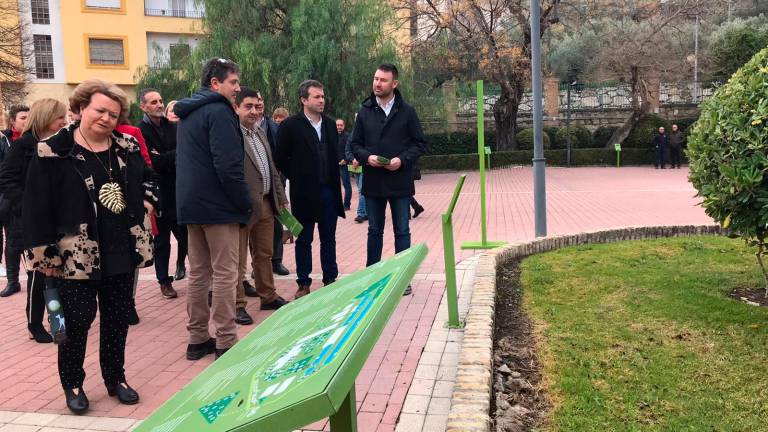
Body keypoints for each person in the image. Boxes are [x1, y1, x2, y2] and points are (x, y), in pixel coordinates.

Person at [22, 79, 159, 413]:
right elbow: (36, 208)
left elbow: (150, 177)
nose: (106, 118)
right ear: (81, 108)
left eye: (113, 114)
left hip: (121, 248)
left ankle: (116, 378)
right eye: (100, 110)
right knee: (78, 321)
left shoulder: (126, 145)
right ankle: (73, 383)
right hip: (75, 255)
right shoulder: (53, 150)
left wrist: (148, 201)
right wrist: (46, 257)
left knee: (116, 320)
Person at [175, 58, 252, 360]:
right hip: (219, 207)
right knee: (225, 274)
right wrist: (243, 203)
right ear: (215, 83)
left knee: (199, 274)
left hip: (192, 206)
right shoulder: (220, 112)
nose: (237, 87)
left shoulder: (188, 113)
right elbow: (229, 166)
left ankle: (196, 339)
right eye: (233, 82)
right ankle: (226, 340)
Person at [350, 64, 427, 296]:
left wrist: (402, 160)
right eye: (375, 79)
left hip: (400, 182)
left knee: (402, 230)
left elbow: (420, 144)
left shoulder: (407, 111)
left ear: (394, 84)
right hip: (373, 182)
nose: (377, 83)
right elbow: (355, 145)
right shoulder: (364, 111)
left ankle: (402, 277)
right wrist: (367, 157)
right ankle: (372, 276)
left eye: (383, 80)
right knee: (374, 230)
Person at [0, 98, 68, 342]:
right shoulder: (23, 146)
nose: (65, 121)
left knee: (59, 274)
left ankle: (58, 321)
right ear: (46, 117)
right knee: (40, 276)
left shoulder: (63, 144)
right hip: (32, 224)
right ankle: (35, 323)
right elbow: (7, 180)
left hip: (60, 220)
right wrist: (27, 207)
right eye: (60, 116)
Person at [275, 80, 344, 299]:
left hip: (329, 192)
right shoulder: (290, 126)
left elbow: (334, 155)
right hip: (303, 193)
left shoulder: (331, 125)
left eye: (323, 96)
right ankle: (303, 282)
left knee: (329, 238)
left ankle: (330, 278)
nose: (321, 100)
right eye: (316, 97)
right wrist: (297, 175)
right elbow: (279, 158)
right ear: (303, 100)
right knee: (304, 239)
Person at [234, 87, 289, 325]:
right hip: (242, 206)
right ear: (235, 107)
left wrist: (282, 199)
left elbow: (272, 170)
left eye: (257, 106)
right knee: (237, 260)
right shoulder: (231, 135)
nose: (254, 111)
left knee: (264, 254)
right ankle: (237, 305)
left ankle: (268, 295)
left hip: (266, 203)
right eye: (248, 106)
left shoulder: (259, 132)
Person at [137, 88, 187, 299]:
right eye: (153, 102)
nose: (159, 105)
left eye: (160, 100)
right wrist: (172, 156)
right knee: (161, 242)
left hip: (178, 191)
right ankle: (164, 281)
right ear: (143, 106)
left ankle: (197, 277)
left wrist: (165, 157)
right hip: (158, 195)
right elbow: (153, 163)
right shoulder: (141, 131)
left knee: (186, 239)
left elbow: (183, 154)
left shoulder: (173, 127)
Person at [243, 92, 290, 277]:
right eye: (250, 105)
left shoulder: (265, 129)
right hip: (247, 198)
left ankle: (269, 287)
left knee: (268, 243)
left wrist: (281, 196)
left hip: (269, 194)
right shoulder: (235, 131)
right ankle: (242, 289)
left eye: (259, 102)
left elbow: (272, 164)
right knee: (243, 247)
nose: (256, 107)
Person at [0, 105, 29, 294]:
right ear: (13, 122)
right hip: (10, 199)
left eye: (29, 117)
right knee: (13, 240)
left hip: (32, 198)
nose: (27, 121)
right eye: (23, 118)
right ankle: (13, 280)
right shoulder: (5, 141)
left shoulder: (37, 139)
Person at [336, 119, 353, 210]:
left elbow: (350, 149)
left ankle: (346, 205)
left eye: (340, 125)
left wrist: (346, 160)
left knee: (347, 185)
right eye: (337, 125)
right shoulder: (332, 136)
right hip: (334, 165)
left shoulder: (348, 136)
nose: (339, 127)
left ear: (344, 126)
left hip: (344, 165)